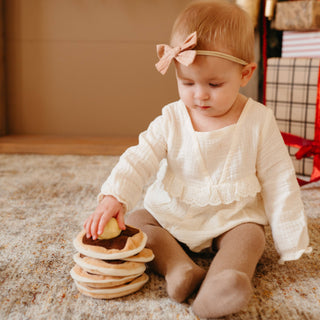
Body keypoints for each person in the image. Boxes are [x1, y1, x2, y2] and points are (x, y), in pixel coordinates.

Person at [84, 0, 311, 318]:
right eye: (187, 83)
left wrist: (290, 239)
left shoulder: (258, 120)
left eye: (214, 84)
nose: (199, 95)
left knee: (251, 236)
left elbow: (278, 178)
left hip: (231, 217)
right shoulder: (171, 119)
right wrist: (114, 197)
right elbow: (139, 157)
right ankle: (179, 269)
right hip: (175, 212)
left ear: (245, 73)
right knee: (136, 221)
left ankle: (224, 281)